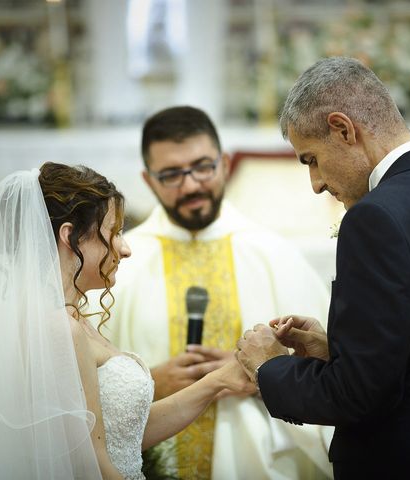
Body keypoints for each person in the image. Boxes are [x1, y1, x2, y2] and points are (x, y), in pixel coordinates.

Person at [236, 56, 410, 479]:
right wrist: (338, 350)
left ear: (343, 129)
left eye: (311, 159)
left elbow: (359, 396)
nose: (315, 184)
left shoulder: (375, 217)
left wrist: (269, 366)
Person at [0, 162, 252, 479]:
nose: (125, 249)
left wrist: (218, 381)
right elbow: (88, 466)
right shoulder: (56, 328)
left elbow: (119, 437)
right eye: (114, 232)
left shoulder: (68, 317)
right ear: (71, 236)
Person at [98, 106, 334, 479]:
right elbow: (74, 384)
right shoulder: (117, 261)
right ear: (148, 180)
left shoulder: (272, 253)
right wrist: (146, 385)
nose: (191, 185)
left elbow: (331, 368)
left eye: (202, 167)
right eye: (172, 174)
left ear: (224, 164)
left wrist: (266, 371)